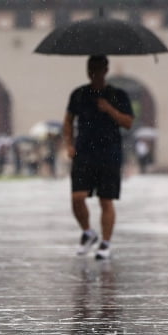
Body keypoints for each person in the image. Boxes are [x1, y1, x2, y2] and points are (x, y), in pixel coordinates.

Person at [63, 54, 134, 261]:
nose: (94, 72)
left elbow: (128, 122)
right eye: (90, 68)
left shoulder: (118, 95)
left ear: (105, 70)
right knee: (77, 197)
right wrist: (69, 144)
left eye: (98, 68)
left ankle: (105, 242)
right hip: (84, 152)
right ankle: (87, 232)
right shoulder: (78, 94)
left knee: (106, 200)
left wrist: (109, 109)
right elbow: (68, 121)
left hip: (109, 153)